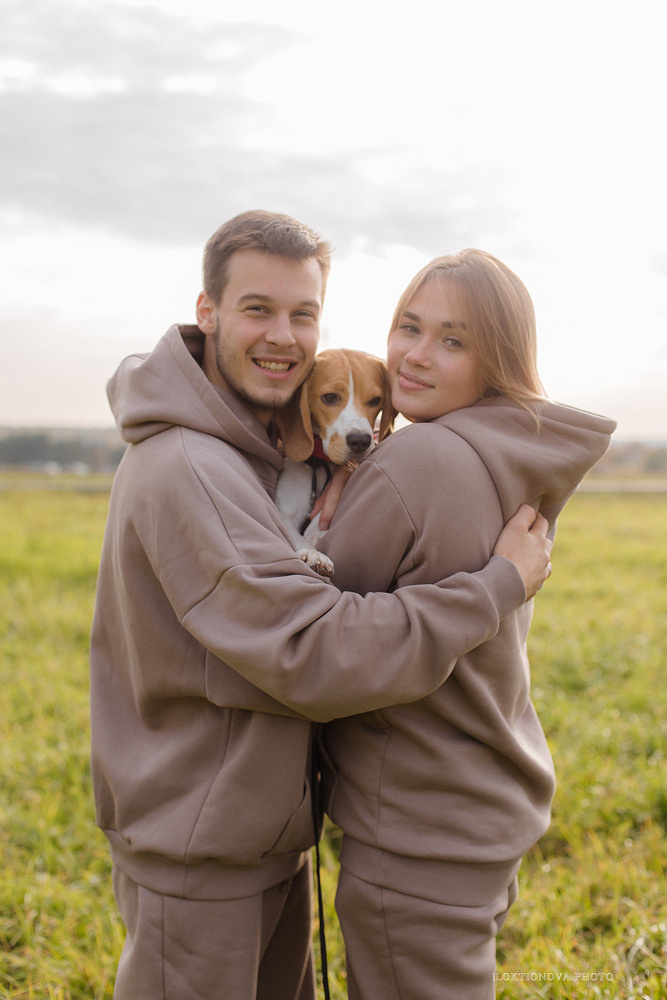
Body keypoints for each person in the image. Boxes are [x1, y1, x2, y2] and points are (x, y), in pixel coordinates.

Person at [90, 214, 553, 1000]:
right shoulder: (192, 466)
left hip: (258, 834)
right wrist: (497, 584)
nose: (283, 335)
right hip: (200, 846)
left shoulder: (255, 446)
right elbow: (316, 651)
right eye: (256, 309)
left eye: (302, 313)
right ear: (206, 312)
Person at [316, 250, 616, 1000]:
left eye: (452, 340)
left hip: (416, 824)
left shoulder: (417, 462)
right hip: (480, 804)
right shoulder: (509, 450)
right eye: (408, 327)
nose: (415, 356)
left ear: (498, 358)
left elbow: (316, 643)